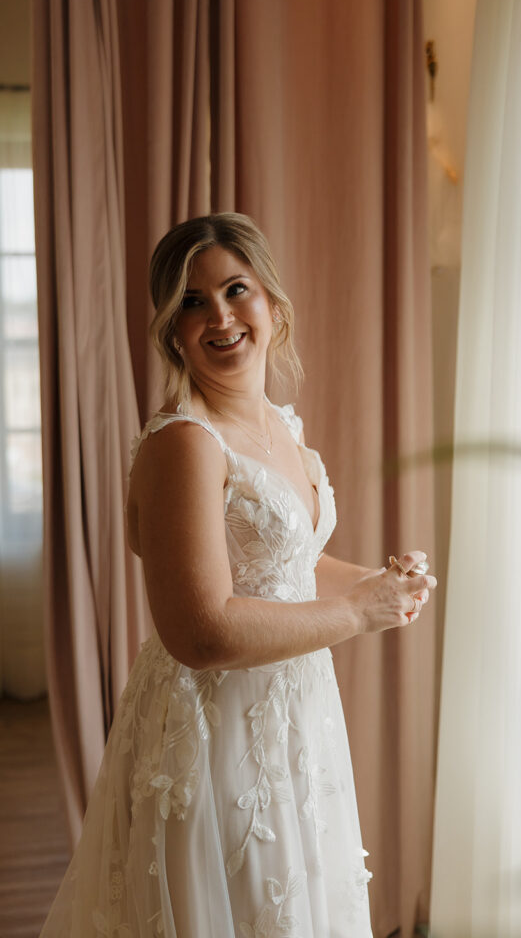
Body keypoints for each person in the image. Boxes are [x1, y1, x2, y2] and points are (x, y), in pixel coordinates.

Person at [40, 212, 436, 938]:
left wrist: (380, 583)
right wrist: (358, 613)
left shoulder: (282, 426)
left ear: (273, 306)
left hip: (294, 718)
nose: (218, 315)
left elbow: (289, 564)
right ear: (171, 329)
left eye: (234, 289)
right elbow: (202, 631)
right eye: (192, 302)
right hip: (216, 736)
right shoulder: (185, 444)